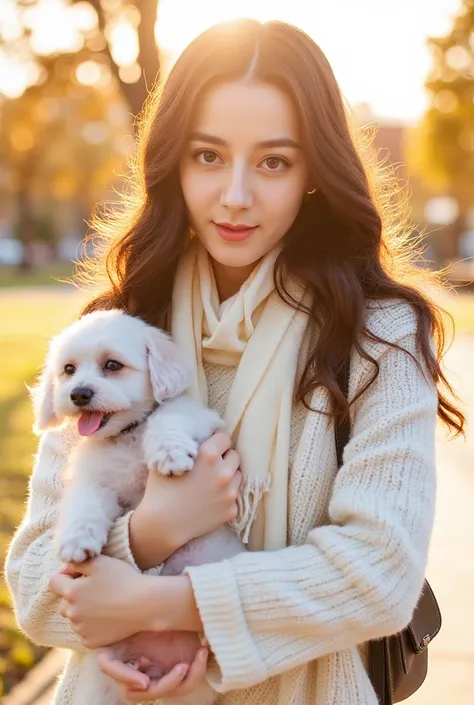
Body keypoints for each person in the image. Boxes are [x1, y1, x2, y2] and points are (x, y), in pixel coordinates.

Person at [6, 17, 464, 705]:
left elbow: (380, 577)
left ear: (313, 170)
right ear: (172, 161)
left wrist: (157, 604)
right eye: (209, 156)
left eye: (274, 161)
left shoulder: (380, 334)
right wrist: (149, 531)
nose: (236, 195)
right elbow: (38, 591)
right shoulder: (116, 336)